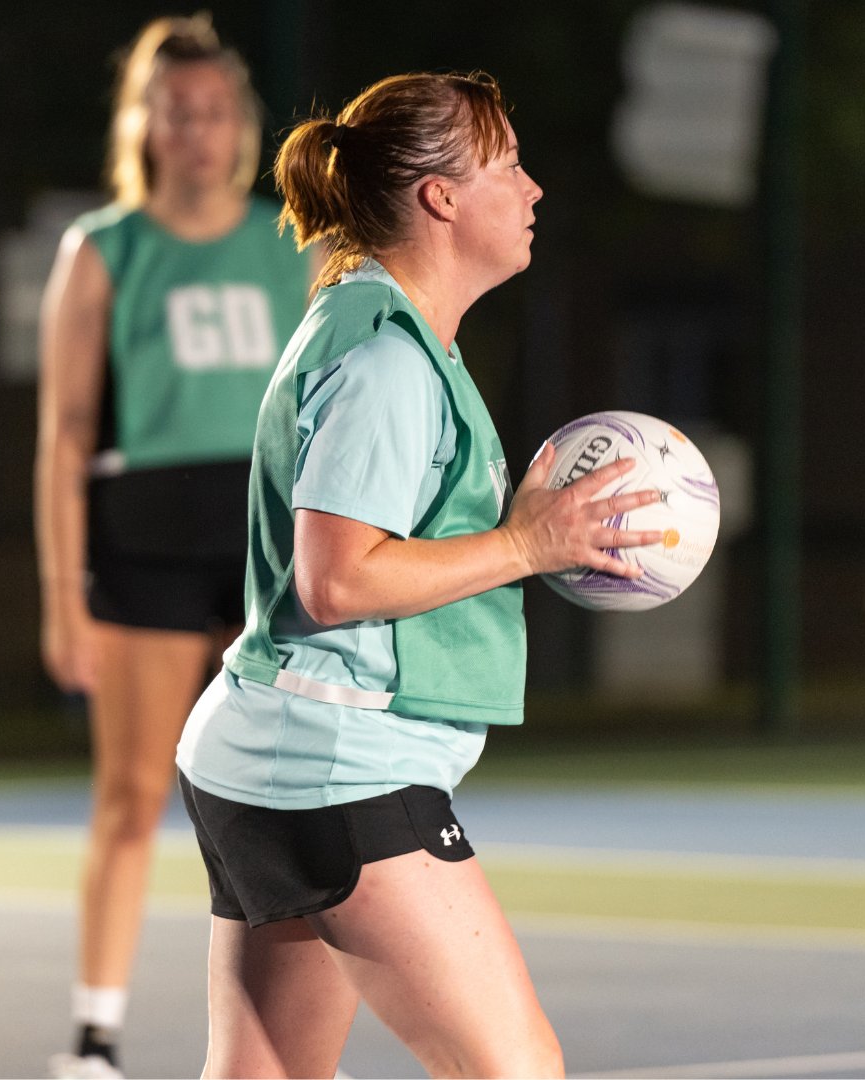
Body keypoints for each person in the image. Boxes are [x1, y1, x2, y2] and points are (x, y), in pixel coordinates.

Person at [175, 70, 665, 1079]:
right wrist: (528, 544)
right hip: (335, 764)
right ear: (441, 196)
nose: (533, 188)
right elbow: (337, 582)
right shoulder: (386, 361)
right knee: (515, 1069)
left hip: (270, 747)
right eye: (509, 165)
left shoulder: (383, 329)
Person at [34, 13, 311, 1079]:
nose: (196, 130)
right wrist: (63, 599)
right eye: (175, 111)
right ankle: (93, 1043)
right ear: (143, 125)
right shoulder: (103, 250)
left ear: (239, 123)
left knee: (292, 796)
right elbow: (63, 436)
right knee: (131, 796)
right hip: (143, 543)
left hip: (264, 548)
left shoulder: (291, 242)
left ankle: (289, 1042)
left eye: (214, 110)